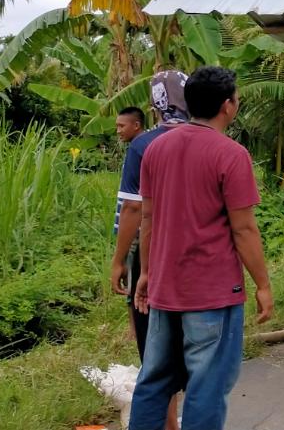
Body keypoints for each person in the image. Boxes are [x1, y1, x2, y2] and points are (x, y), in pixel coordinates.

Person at [129, 66, 274, 430]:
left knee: (154, 380)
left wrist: (146, 273)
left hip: (165, 287)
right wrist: (263, 285)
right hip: (212, 293)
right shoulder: (231, 153)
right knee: (206, 386)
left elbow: (148, 220)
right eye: (236, 99)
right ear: (228, 106)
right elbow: (243, 229)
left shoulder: (155, 149)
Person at [111, 73, 189, 430]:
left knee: (155, 346)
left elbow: (132, 209)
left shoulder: (143, 145)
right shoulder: (208, 139)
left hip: (154, 253)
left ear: (155, 104)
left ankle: (169, 423)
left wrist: (120, 260)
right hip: (197, 256)